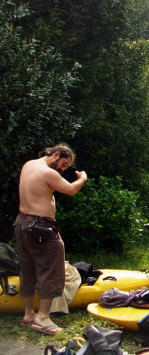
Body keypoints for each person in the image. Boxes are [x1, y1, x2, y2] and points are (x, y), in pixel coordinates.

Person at [14, 143, 87, 335]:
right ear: (56, 154)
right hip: (41, 228)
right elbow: (71, 189)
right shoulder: (48, 173)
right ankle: (43, 318)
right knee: (52, 269)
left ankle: (29, 314)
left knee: (27, 267)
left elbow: (43, 191)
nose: (63, 170)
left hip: (21, 223)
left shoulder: (29, 165)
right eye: (63, 164)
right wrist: (83, 179)